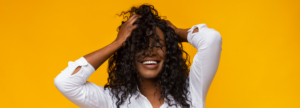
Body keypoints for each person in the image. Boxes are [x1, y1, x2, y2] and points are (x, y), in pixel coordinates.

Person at [54, 4, 222, 108]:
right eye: (140, 45)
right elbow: (65, 82)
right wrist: (117, 43)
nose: (150, 51)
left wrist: (176, 32)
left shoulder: (191, 93)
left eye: (158, 44)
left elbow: (212, 39)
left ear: (168, 52)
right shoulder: (111, 101)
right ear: (128, 54)